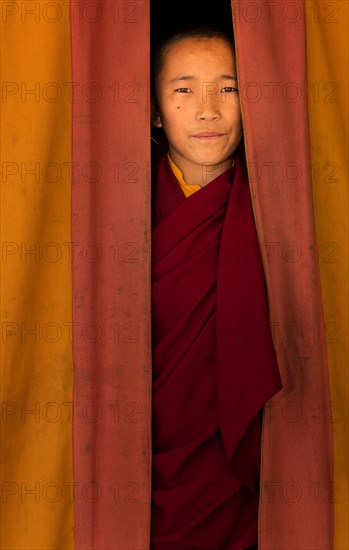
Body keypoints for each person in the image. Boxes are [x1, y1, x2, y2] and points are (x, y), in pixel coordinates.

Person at [150, 25, 282, 549]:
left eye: (228, 88)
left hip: (246, 477)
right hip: (148, 466)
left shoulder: (281, 209)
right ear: (155, 110)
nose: (209, 109)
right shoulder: (115, 209)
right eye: (184, 89)